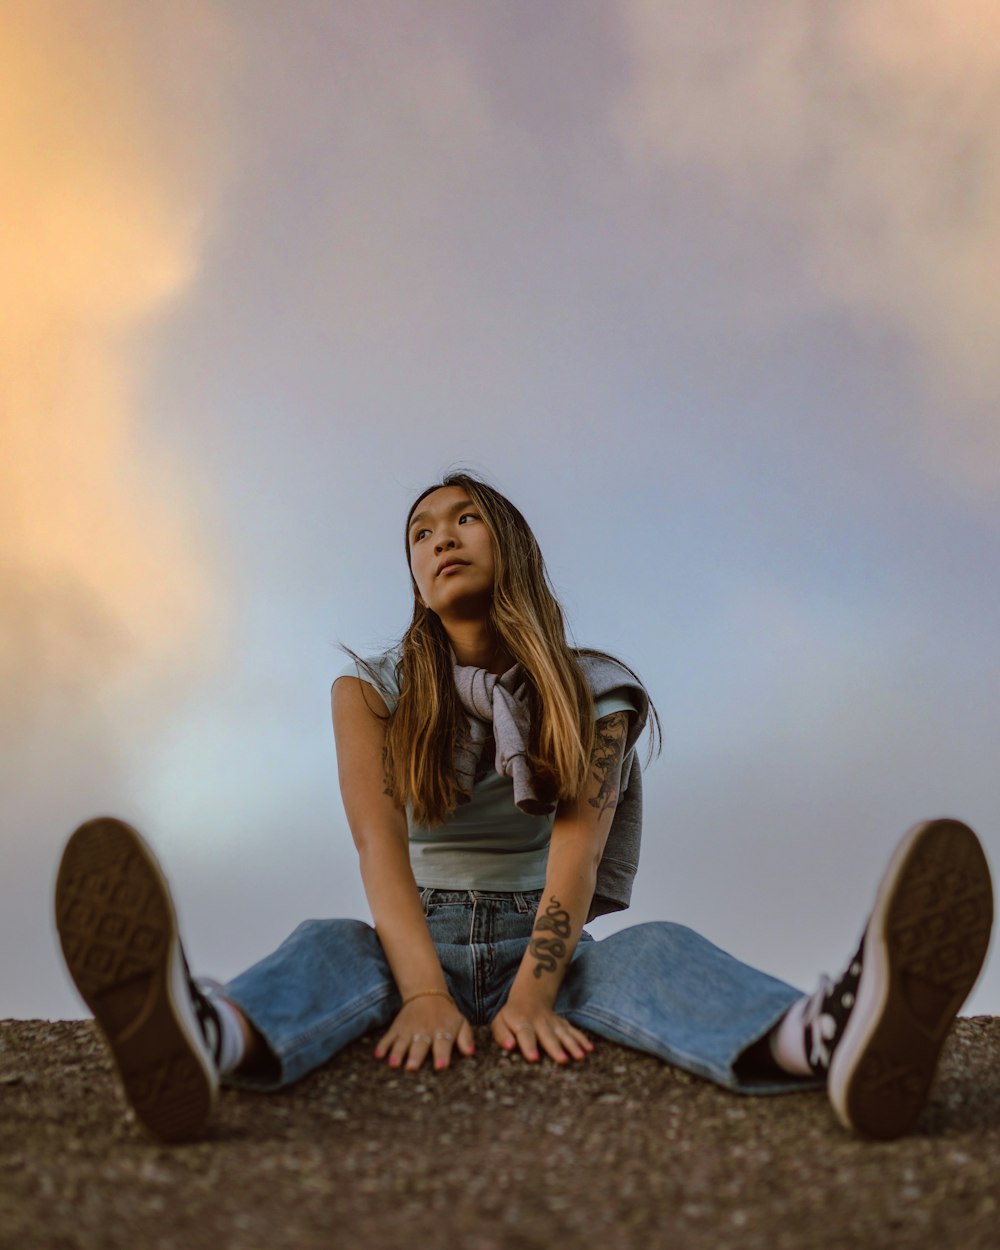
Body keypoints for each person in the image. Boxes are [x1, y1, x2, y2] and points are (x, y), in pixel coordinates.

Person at [55, 473, 994, 1145]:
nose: (441, 538)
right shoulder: (368, 692)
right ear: (414, 578)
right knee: (327, 944)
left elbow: (576, 858)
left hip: (546, 937)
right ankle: (202, 1035)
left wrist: (535, 990)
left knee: (655, 954)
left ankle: (829, 1036)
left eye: (465, 519)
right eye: (422, 533)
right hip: (409, 941)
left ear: (511, 543)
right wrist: (424, 991)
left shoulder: (599, 689)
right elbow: (377, 848)